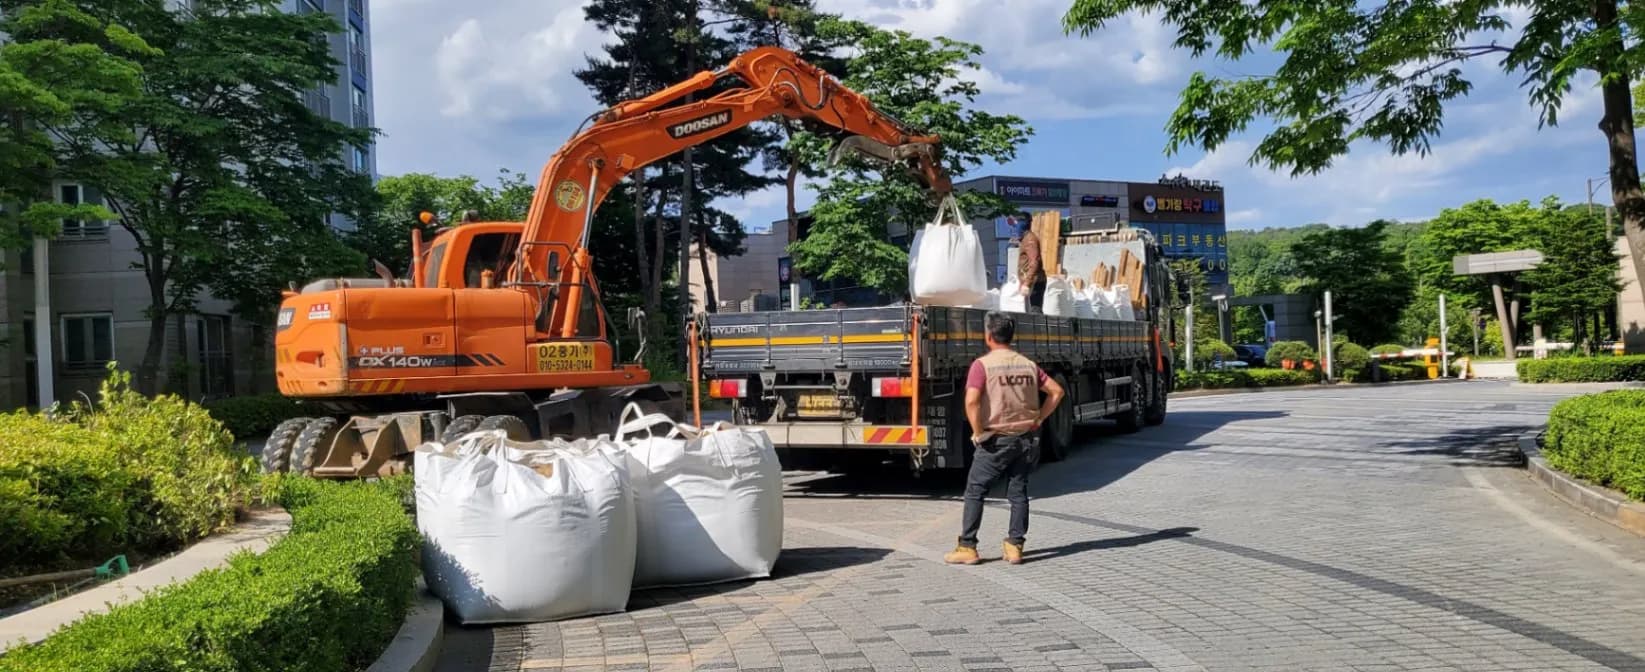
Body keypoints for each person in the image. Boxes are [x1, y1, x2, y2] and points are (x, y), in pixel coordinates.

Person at [944, 311, 1065, 566]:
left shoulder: (982, 366)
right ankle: (1015, 545)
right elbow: (1056, 391)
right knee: (1018, 491)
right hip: (1025, 438)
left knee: (976, 490)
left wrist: (977, 432)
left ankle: (967, 546)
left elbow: (972, 401)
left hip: (995, 439)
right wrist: (1039, 418)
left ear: (988, 336)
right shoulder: (1028, 365)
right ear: (1012, 336)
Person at [1016, 218, 1047, 313]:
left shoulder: (1030, 240)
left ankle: (1037, 328)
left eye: (1017, 224)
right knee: (1030, 311)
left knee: (1035, 311)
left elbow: (1034, 261)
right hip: (1032, 281)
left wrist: (1027, 283)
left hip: (1034, 282)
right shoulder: (1026, 239)